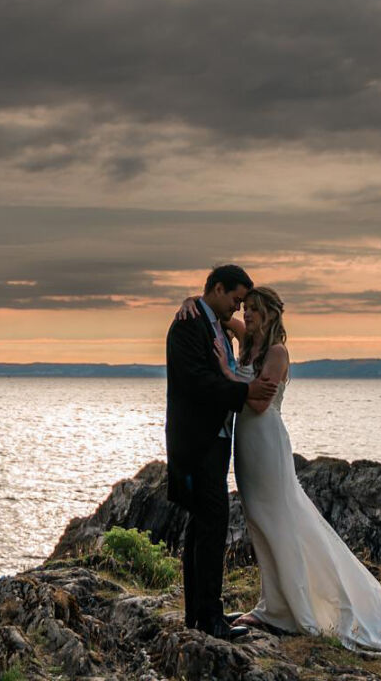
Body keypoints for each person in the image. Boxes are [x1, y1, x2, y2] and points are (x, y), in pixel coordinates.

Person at [200, 283, 381, 657]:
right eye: (245, 308)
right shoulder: (249, 341)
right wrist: (193, 306)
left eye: (253, 309)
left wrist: (225, 371)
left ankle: (293, 610)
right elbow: (218, 316)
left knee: (281, 522)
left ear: (269, 314)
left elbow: (258, 404)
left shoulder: (276, 352)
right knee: (259, 521)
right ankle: (274, 604)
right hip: (247, 447)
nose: (246, 315)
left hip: (266, 443)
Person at [164, 263, 279, 640]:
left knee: (204, 527)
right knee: (209, 526)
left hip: (217, 443)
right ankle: (209, 618)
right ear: (216, 289)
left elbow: (234, 357)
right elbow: (196, 381)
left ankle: (201, 614)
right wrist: (243, 392)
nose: (238, 308)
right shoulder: (187, 325)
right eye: (235, 299)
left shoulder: (217, 324)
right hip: (195, 443)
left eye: (245, 303)